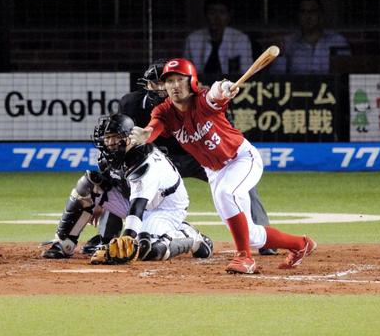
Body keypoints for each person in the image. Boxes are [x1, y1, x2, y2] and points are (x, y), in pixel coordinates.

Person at [130, 58, 317, 274]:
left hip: (242, 159)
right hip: (215, 172)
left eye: (179, 79)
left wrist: (224, 87)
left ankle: (244, 258)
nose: (174, 85)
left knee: (227, 194)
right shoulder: (164, 111)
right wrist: (145, 135)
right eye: (169, 81)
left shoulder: (203, 100)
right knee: (250, 234)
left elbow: (215, 93)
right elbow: (154, 127)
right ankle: (301, 244)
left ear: (191, 81)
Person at [84, 60, 277, 256]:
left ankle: (263, 237)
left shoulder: (195, 98)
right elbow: (117, 149)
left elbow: (219, 110)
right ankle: (106, 238)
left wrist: (222, 90)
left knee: (237, 180)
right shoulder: (131, 104)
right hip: (156, 164)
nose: (162, 88)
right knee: (120, 180)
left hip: (197, 158)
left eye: (169, 81)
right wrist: (102, 201)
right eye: (158, 83)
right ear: (146, 85)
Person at [41, 113, 213, 264]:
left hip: (165, 209)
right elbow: (109, 183)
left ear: (129, 138)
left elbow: (137, 206)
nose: (109, 143)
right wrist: (97, 204)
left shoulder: (145, 162)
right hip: (134, 200)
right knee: (88, 184)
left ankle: (190, 236)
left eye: (115, 137)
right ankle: (64, 243)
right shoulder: (109, 155)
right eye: (107, 138)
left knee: (147, 249)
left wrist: (127, 239)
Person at [271, 0, 350, 74]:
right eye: (303, 12)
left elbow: (347, 72)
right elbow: (277, 76)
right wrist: (280, 55)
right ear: (298, 16)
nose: (308, 16)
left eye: (312, 11)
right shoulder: (288, 43)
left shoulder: (337, 41)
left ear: (320, 14)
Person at [183, 0, 254, 74]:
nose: (217, 18)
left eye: (222, 13)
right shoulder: (192, 40)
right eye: (212, 13)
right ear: (206, 15)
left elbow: (246, 73)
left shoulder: (241, 39)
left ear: (229, 16)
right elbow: (186, 72)